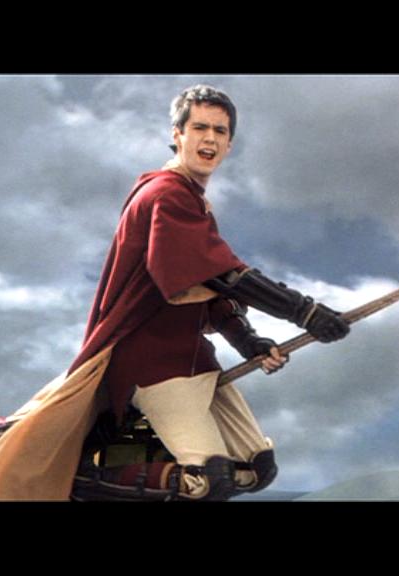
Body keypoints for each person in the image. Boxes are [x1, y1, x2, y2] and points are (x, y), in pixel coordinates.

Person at [68, 84, 349, 501]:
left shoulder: (194, 202)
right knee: (208, 481)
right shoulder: (165, 195)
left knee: (254, 470)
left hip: (195, 358)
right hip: (151, 360)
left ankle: (143, 453)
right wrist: (304, 312)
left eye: (220, 131)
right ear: (178, 134)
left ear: (230, 144)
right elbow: (224, 275)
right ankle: (84, 477)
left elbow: (209, 284)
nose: (210, 139)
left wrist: (248, 341)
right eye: (200, 128)